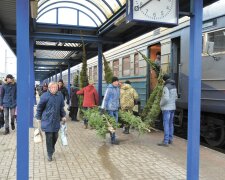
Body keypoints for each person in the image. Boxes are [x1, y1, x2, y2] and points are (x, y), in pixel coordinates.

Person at [35, 82, 66, 161]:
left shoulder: (60, 96)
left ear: (57, 88)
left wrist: (63, 116)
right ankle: (49, 154)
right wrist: (38, 117)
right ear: (49, 88)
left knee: (55, 136)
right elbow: (39, 108)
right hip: (47, 120)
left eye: (55, 87)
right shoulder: (44, 96)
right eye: (52, 87)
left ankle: (52, 148)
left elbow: (61, 107)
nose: (54, 89)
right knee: (49, 137)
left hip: (56, 120)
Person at [158, 74, 178, 147]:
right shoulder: (174, 86)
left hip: (167, 109)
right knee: (171, 124)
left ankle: (165, 141)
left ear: (164, 80)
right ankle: (170, 139)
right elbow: (176, 97)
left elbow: (165, 98)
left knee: (166, 124)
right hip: (173, 108)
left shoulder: (166, 87)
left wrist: (161, 104)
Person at [101, 77, 120, 144]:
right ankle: (113, 139)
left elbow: (118, 98)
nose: (117, 82)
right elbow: (105, 98)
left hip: (116, 108)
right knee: (112, 123)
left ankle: (113, 137)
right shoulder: (109, 89)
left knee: (115, 123)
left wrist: (119, 105)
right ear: (113, 82)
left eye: (118, 81)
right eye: (116, 81)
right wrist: (103, 108)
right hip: (110, 108)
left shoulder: (117, 88)